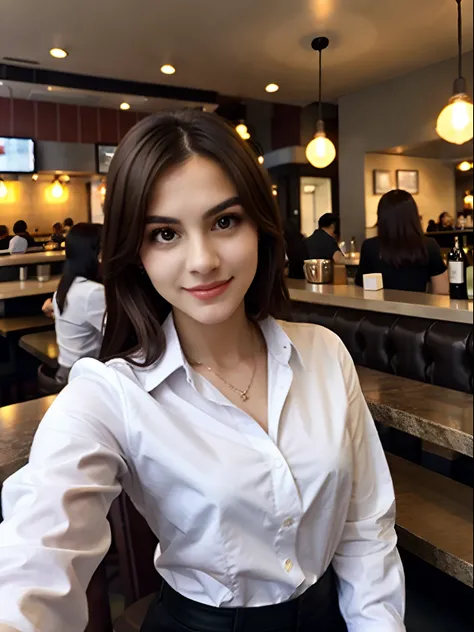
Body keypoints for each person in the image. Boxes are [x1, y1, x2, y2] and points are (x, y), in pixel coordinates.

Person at [0, 111, 405, 632]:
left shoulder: (324, 354)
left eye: (224, 221)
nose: (202, 260)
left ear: (260, 224)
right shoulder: (110, 394)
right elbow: (35, 558)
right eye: (165, 233)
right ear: (135, 253)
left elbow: (364, 525)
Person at [44, 223, 105, 384]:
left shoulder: (66, 285)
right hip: (83, 377)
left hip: (65, 370)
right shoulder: (93, 292)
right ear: (96, 253)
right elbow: (119, 334)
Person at [355, 189, 449, 294]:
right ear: (413, 216)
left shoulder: (370, 247)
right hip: (418, 308)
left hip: (379, 308)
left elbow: (360, 288)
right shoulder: (429, 245)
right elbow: (442, 291)